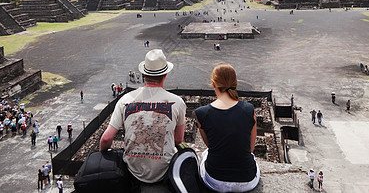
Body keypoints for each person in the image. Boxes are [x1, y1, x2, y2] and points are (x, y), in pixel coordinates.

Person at [100, 49, 186, 185]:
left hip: (132, 170)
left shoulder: (125, 100)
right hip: (164, 170)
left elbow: (106, 138)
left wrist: (103, 154)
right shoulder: (177, 102)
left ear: (144, 75)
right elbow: (178, 139)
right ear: (165, 74)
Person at [195, 63, 260, 192]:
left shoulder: (201, 113)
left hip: (215, 180)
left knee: (205, 153)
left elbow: (210, 145)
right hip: (247, 180)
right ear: (235, 83)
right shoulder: (249, 109)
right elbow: (250, 148)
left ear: (213, 84)